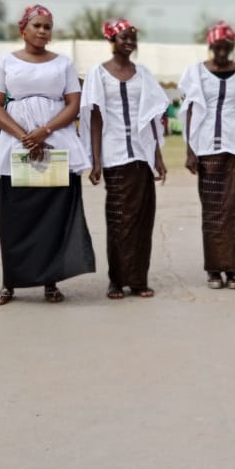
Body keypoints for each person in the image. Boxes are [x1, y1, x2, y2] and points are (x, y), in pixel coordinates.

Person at [0, 5, 95, 306]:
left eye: (48, 26)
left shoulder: (63, 63)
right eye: (37, 25)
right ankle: (10, 283)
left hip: (55, 143)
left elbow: (73, 103)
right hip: (14, 144)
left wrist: (44, 132)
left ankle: (50, 281)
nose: (43, 31)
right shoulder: (5, 62)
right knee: (14, 216)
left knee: (52, 214)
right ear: (23, 29)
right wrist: (24, 136)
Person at [82, 18, 168, 298]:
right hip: (114, 155)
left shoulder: (143, 74)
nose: (129, 42)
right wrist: (95, 160)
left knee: (143, 219)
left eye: (133, 37)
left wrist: (158, 156)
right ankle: (117, 280)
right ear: (111, 41)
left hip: (142, 156)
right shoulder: (99, 73)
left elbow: (154, 116)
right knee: (119, 220)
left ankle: (139, 280)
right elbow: (95, 117)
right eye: (123, 37)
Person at [179, 21, 235, 289]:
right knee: (212, 213)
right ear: (211, 46)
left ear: (232, 47)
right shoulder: (196, 73)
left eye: (227, 47)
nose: (222, 51)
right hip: (206, 151)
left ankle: (233, 269)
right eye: (218, 46)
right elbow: (189, 110)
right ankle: (214, 269)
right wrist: (190, 150)